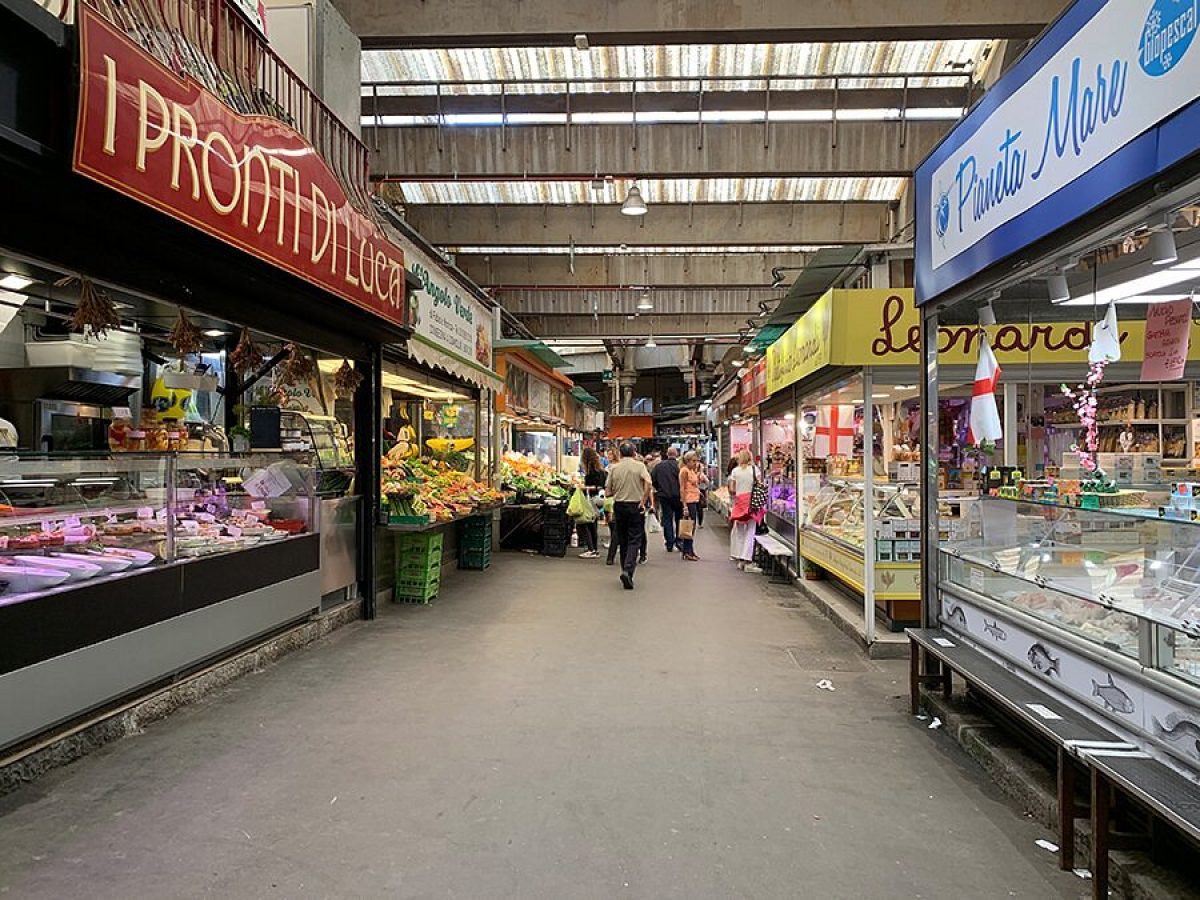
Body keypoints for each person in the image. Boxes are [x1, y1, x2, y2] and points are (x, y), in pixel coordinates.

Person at [605, 442, 652, 589]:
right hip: (635, 505)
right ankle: (628, 569)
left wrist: (617, 491)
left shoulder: (614, 468)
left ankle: (624, 568)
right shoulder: (639, 466)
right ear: (634, 452)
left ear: (620, 453)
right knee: (635, 539)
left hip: (619, 505)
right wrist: (643, 500)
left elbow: (607, 492)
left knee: (622, 538)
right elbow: (649, 483)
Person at [728, 449, 761, 573]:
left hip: (739, 502)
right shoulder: (754, 470)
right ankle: (747, 560)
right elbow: (759, 484)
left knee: (740, 531)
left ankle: (740, 560)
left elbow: (732, 489)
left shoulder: (735, 471)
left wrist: (739, 493)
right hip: (752, 503)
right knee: (751, 531)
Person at [576, 447, 606, 559]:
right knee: (593, 524)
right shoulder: (599, 469)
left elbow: (597, 486)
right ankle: (594, 549)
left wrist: (584, 487)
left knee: (586, 523)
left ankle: (591, 549)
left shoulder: (593, 471)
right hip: (598, 500)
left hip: (592, 499)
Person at [651, 446, 683, 552]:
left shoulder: (659, 466)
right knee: (679, 518)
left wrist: (659, 488)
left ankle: (669, 542)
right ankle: (679, 541)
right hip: (679, 496)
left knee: (667, 519)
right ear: (676, 454)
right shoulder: (680, 466)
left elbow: (653, 479)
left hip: (664, 496)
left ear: (667, 454)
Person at [678, 450, 703, 561]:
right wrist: (684, 505)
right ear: (687, 461)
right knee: (689, 527)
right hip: (688, 501)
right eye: (693, 461)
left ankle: (689, 550)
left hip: (695, 500)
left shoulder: (692, 471)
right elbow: (682, 488)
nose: (695, 463)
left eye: (696, 460)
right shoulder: (684, 471)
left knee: (691, 527)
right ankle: (687, 551)